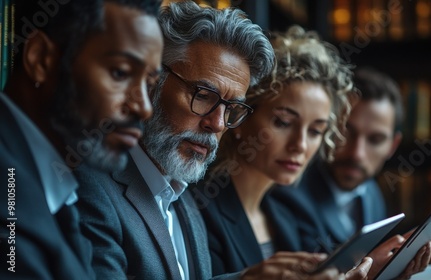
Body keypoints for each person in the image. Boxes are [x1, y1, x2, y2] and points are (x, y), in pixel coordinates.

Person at [74, 2, 276, 279]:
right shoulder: (91, 186)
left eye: (230, 109)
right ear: (151, 81)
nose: (216, 123)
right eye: (203, 95)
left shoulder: (182, 191)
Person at [273, 67, 431, 274]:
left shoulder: (371, 193)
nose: (357, 153)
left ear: (392, 146)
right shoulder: (288, 192)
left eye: (375, 139)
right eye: (346, 132)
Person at [192, 25, 376, 280]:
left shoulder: (287, 211)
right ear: (240, 117)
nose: (300, 145)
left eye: (315, 131)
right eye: (283, 123)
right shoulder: (198, 210)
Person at [0, 0, 163, 279]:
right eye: (120, 73)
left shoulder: (55, 185)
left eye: (150, 84)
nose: (144, 107)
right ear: (40, 58)